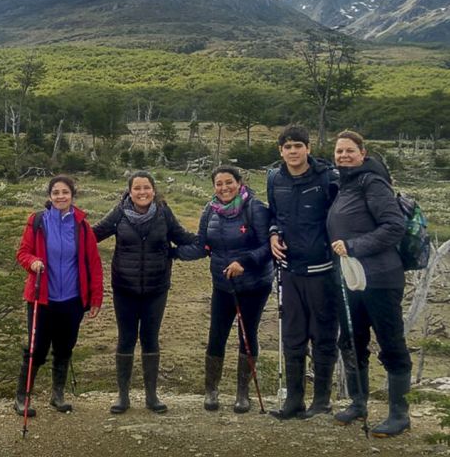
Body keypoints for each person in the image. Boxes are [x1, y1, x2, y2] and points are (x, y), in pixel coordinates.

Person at [328, 130, 412, 437]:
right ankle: (358, 403)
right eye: (339, 151)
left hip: (380, 278)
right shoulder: (345, 183)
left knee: (390, 342)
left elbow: (394, 226)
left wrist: (353, 245)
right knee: (351, 340)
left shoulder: (372, 182)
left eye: (350, 150)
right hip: (352, 279)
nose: (344, 156)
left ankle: (400, 414)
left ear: (363, 153)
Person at [92, 170, 198, 415]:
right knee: (126, 338)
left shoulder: (163, 212)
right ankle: (123, 396)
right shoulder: (119, 213)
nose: (142, 192)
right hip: (124, 288)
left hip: (156, 288)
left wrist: (206, 243)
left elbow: (182, 237)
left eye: (146, 188)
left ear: (153, 190)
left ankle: (151, 395)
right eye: (137, 188)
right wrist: (62, 239)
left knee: (150, 337)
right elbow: (93, 234)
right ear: (130, 191)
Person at [175, 166, 272, 413]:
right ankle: (212, 390)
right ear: (213, 187)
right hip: (223, 285)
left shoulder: (256, 208)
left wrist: (244, 262)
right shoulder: (210, 210)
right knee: (216, 335)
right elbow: (201, 246)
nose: (224, 188)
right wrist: (170, 253)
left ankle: (243, 392)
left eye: (229, 182)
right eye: (219, 184)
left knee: (247, 335)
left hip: (254, 285)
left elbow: (267, 247)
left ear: (239, 183)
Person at [14, 175, 103, 416]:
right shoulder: (37, 221)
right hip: (42, 298)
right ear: (49, 196)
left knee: (65, 348)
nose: (60, 196)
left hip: (73, 300)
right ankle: (22, 397)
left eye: (65, 192)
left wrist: (96, 298)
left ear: (73, 195)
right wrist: (32, 262)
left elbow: (94, 263)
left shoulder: (82, 225)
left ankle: (57, 395)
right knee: (36, 349)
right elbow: (22, 253)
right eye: (56, 192)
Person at [267, 124, 340, 420]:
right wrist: (273, 234)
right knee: (293, 336)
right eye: (288, 147)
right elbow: (274, 214)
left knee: (322, 336)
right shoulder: (274, 178)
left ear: (308, 148)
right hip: (290, 271)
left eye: (298, 146)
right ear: (281, 151)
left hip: (322, 270)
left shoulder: (327, 178)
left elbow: (341, 214)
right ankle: (294, 401)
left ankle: (321, 400)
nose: (293, 151)